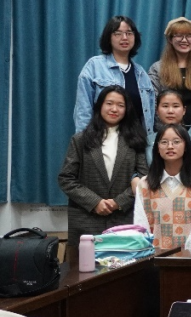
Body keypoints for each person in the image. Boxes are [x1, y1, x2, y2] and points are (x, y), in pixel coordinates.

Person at [58, 86, 148, 245]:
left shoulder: (135, 140)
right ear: (100, 106)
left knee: (123, 261)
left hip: (123, 219)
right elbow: (66, 179)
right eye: (109, 103)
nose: (114, 109)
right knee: (83, 261)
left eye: (120, 105)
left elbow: (143, 178)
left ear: (126, 110)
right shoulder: (80, 140)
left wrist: (118, 202)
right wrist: (95, 202)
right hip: (86, 220)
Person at [74, 15, 156, 136]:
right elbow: (83, 110)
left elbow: (149, 115)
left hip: (136, 141)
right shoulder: (94, 66)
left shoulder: (141, 73)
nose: (124, 37)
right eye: (118, 33)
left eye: (129, 33)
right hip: (102, 139)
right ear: (108, 37)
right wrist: (84, 141)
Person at [134, 124, 191, 249]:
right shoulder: (145, 185)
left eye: (176, 142)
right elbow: (141, 228)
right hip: (155, 257)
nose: (170, 146)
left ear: (186, 146)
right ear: (157, 147)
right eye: (164, 142)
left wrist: (190, 254)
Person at [147, 89, 191, 171]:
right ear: (157, 111)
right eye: (165, 106)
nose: (170, 111)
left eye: (175, 106)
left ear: (184, 110)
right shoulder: (149, 140)